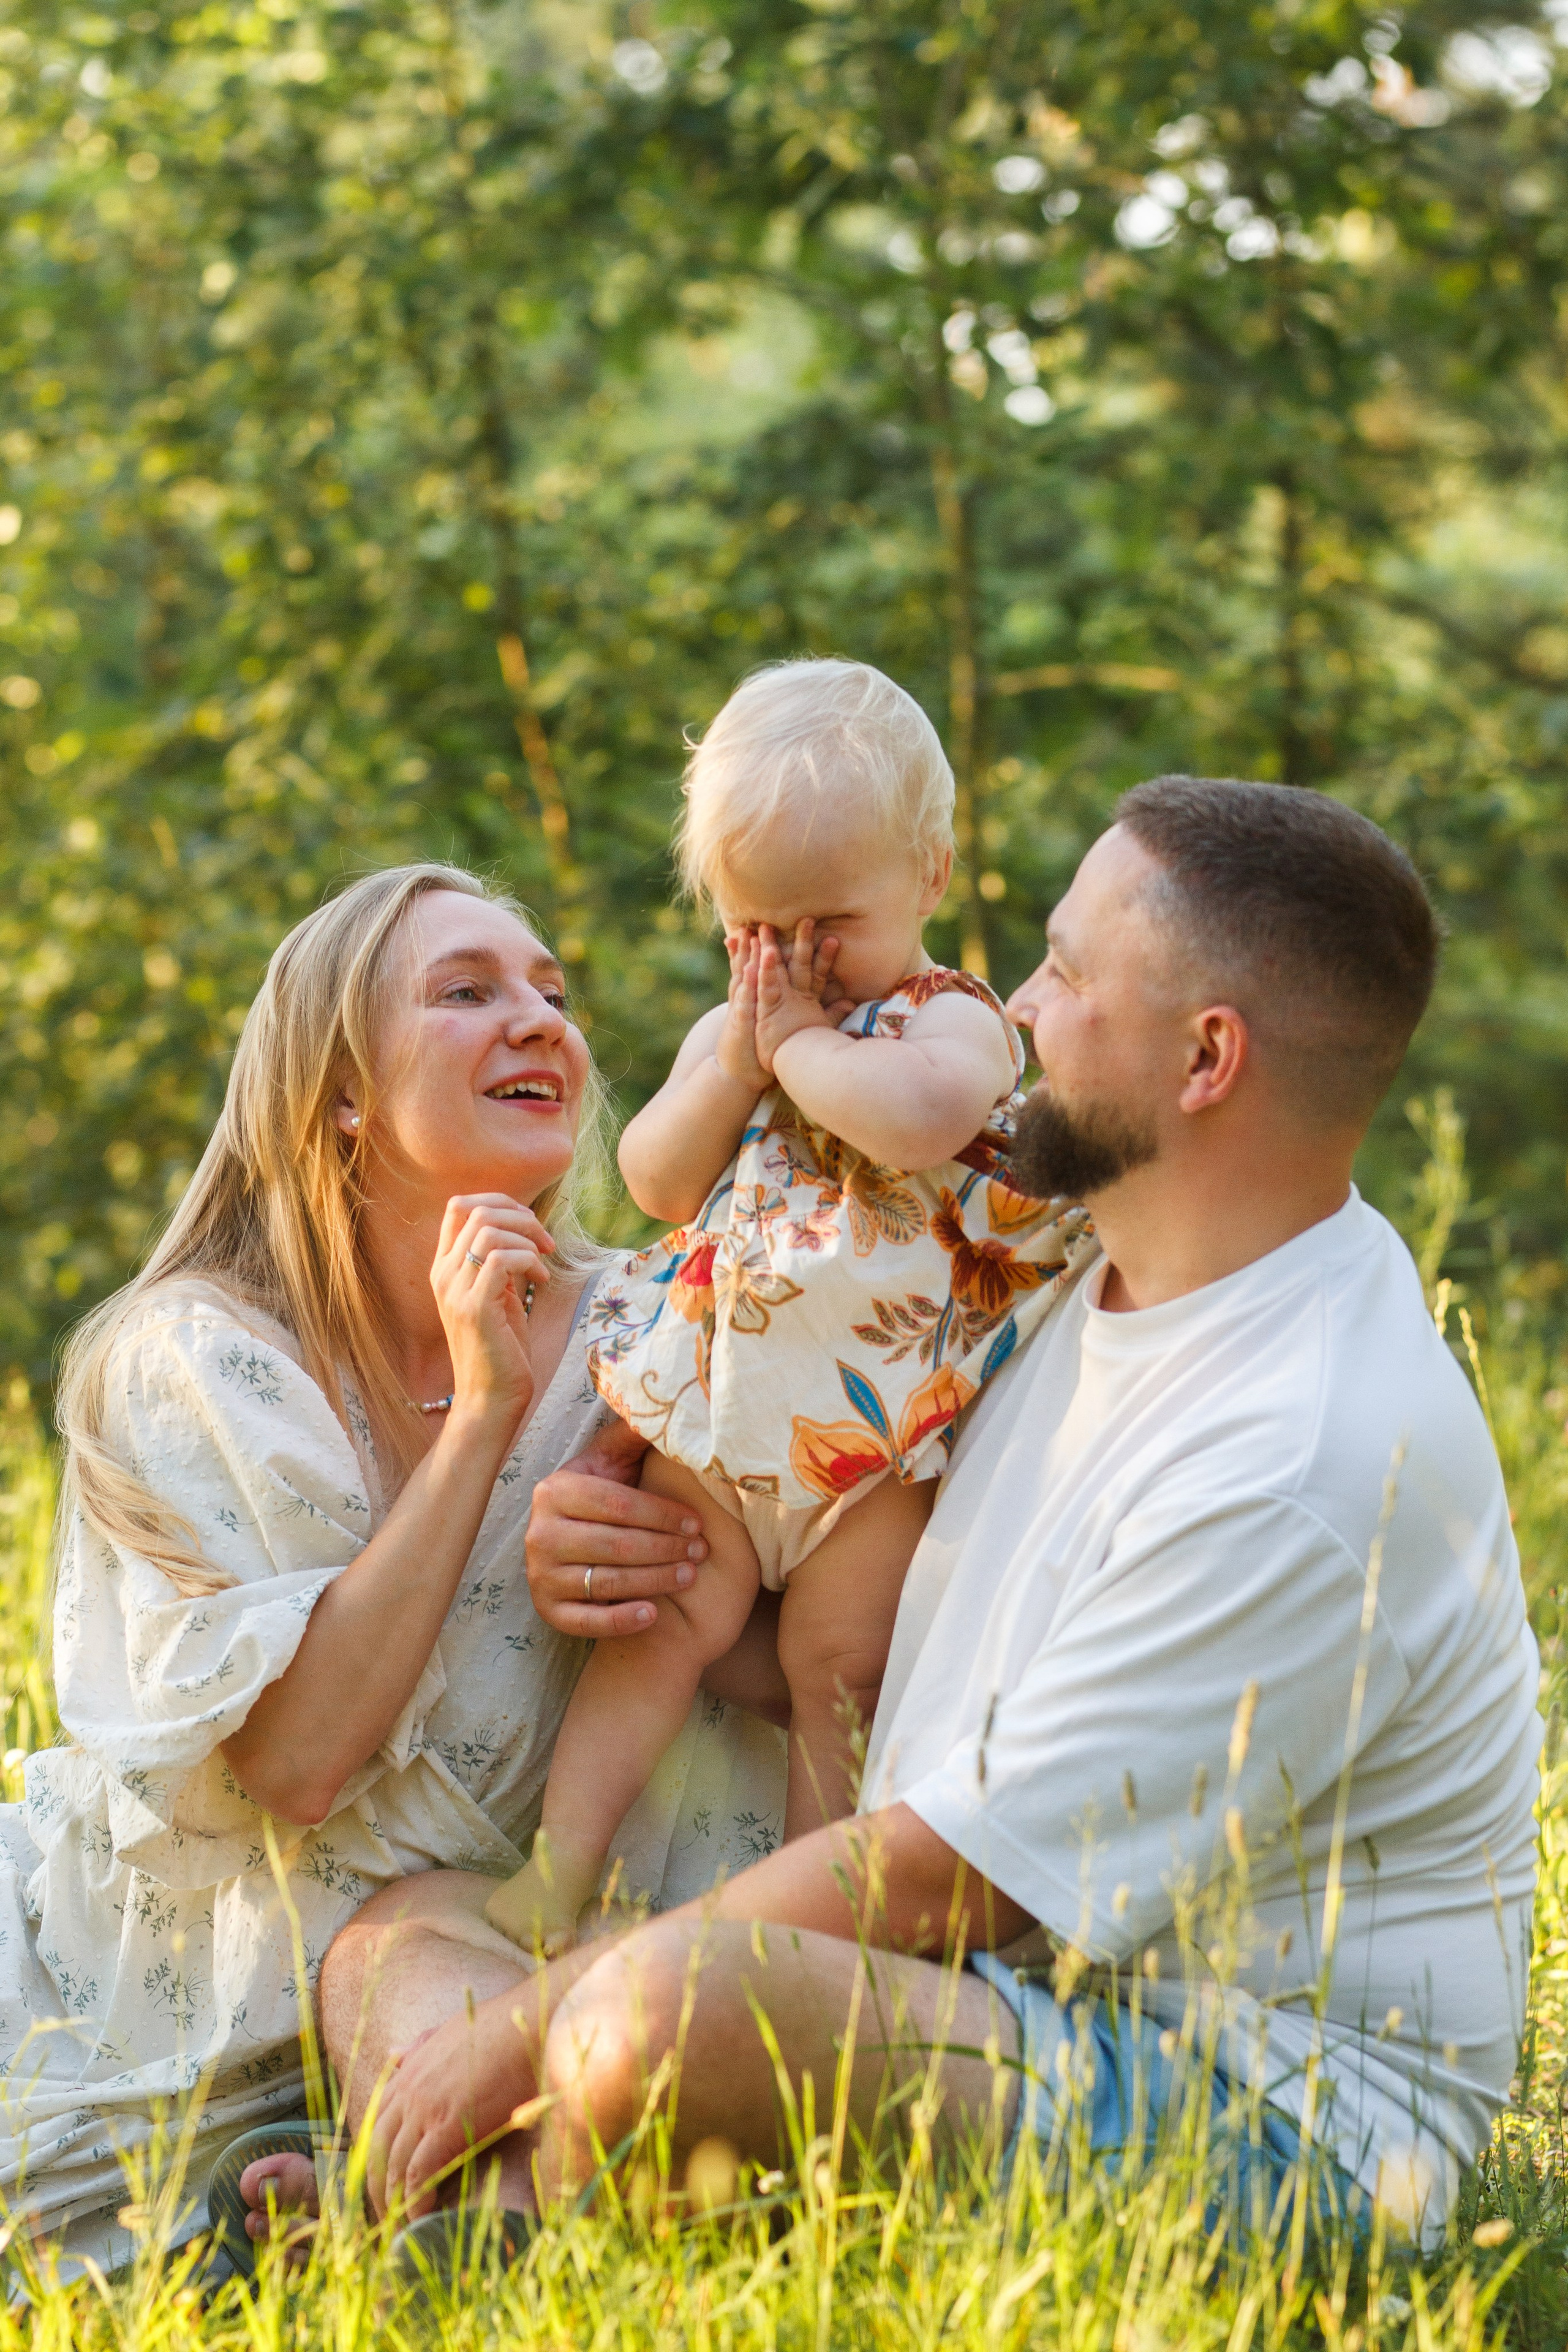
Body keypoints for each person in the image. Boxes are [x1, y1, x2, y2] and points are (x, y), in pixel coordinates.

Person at [270, 777, 1539, 2253]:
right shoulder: (1062, 1283)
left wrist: (512, 2041)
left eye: (1065, 973)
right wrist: (652, 1574)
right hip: (998, 1994)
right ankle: (518, 2202)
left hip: (1235, 2109)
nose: (1013, 1003)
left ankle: (455, 2213)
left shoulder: (1299, 1452)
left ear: (1205, 1058)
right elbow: (889, 1633)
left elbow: (949, 1886)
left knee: (653, 2009)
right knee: (402, 1936)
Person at [1, 864, 784, 2272]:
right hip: (156, 2010)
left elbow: (817, 1660)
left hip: (468, 1977)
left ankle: (399, 2214)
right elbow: (296, 1765)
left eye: (551, 991)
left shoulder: (656, 1327)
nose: (539, 1021)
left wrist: (657, 1594)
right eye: (467, 991)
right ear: (342, 1092)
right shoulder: (192, 1357)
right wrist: (482, 1421)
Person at [487, 662, 1088, 1954]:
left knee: (844, 1673)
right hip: (722, 1407)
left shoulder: (952, 1021)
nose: (799, 963)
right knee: (659, 1629)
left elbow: (923, 1121)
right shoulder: (741, 1030)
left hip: (876, 1441)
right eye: (762, 931)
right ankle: (558, 1866)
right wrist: (734, 1064)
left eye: (832, 923)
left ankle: (809, 1926)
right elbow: (651, 1177)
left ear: (927, 877)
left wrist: (803, 1053)